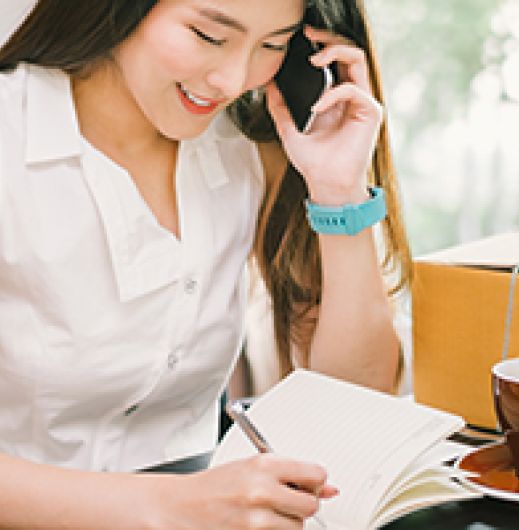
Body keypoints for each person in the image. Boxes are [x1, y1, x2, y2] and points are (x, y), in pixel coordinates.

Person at [0, 0, 412, 527]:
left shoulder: (245, 149)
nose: (233, 79)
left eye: (273, 44)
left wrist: (340, 192)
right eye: (208, 36)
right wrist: (178, 506)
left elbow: (356, 397)